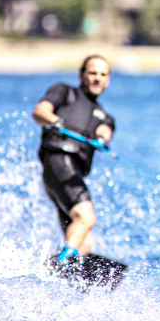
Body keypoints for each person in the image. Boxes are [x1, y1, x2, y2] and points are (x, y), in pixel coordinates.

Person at [32, 55, 116, 267]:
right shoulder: (64, 92)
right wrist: (54, 120)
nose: (97, 78)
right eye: (93, 73)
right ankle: (62, 264)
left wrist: (101, 138)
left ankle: (54, 268)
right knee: (86, 217)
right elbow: (40, 111)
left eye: (103, 74)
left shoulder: (105, 117)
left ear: (108, 80)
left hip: (70, 174)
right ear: (81, 75)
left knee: (84, 242)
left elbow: (105, 130)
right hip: (58, 162)